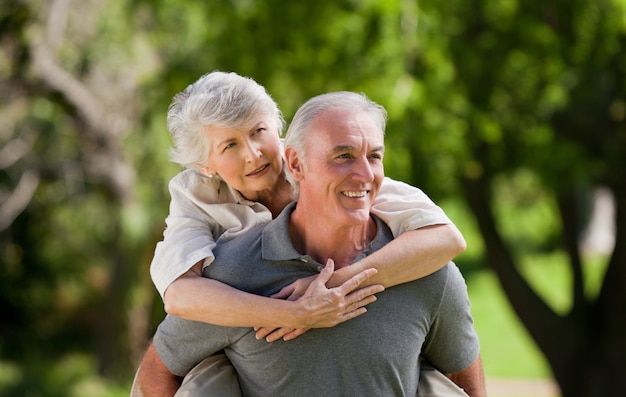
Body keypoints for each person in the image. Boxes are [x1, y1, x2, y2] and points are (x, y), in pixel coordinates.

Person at [136, 91, 485, 396]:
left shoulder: (423, 267)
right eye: (343, 156)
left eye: (375, 156)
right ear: (297, 163)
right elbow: (165, 348)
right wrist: (293, 312)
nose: (364, 175)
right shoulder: (228, 272)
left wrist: (338, 283)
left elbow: (450, 240)